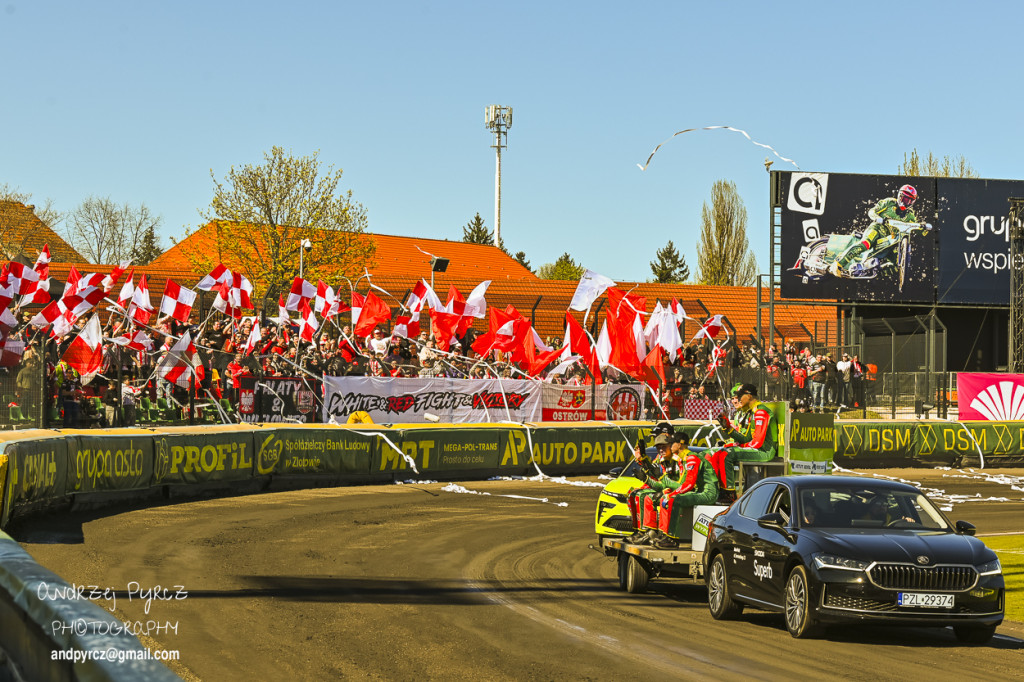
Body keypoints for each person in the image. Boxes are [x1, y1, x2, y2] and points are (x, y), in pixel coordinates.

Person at [831, 184, 927, 276]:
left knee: (899, 263)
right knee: (865, 243)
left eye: (910, 201)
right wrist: (877, 218)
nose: (907, 202)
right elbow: (872, 211)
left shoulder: (910, 215)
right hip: (877, 229)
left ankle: (873, 270)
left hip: (891, 240)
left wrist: (924, 228)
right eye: (905, 199)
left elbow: (914, 227)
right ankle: (838, 263)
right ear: (899, 196)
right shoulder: (889, 202)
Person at [708, 383, 779, 494]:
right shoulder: (753, 411)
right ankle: (716, 491)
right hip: (757, 449)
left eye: (740, 396)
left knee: (726, 454)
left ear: (749, 396)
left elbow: (757, 442)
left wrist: (738, 446)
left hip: (764, 451)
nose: (738, 399)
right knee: (718, 453)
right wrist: (728, 428)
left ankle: (728, 493)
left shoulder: (760, 412)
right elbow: (746, 438)